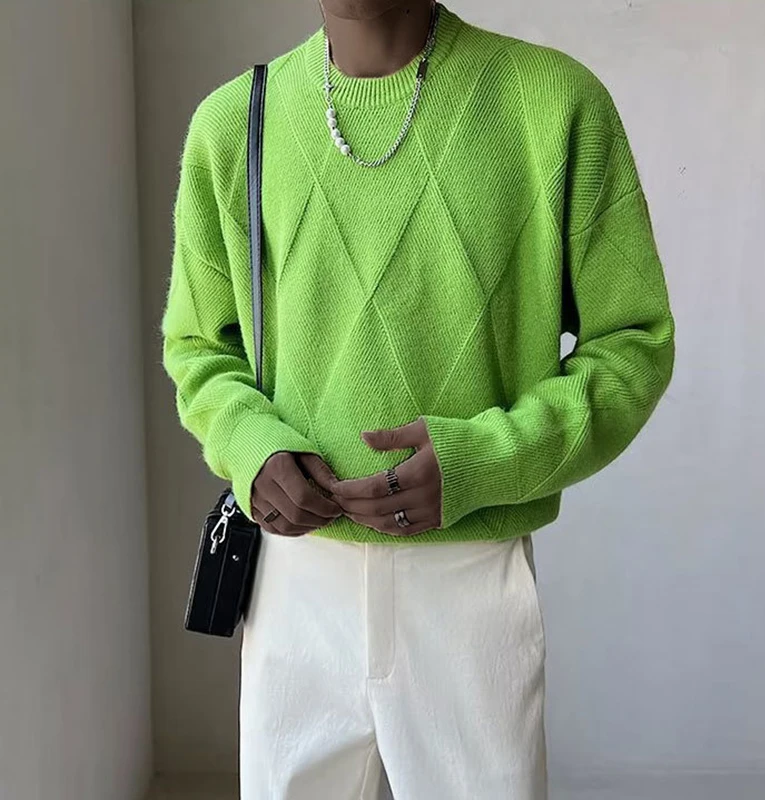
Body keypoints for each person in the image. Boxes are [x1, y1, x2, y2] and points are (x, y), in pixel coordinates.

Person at [160, 1, 676, 797]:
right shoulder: (234, 125)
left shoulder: (554, 105)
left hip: (469, 586)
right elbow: (198, 344)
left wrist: (483, 461)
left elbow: (633, 344)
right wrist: (252, 446)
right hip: (296, 585)